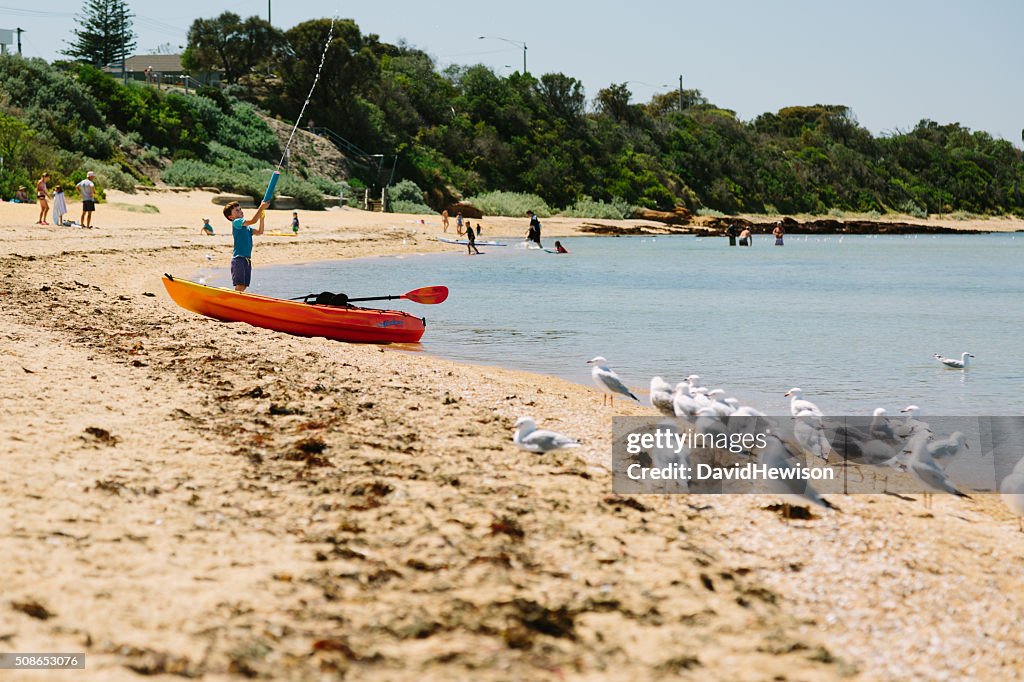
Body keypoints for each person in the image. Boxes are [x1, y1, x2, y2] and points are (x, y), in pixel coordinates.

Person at [224, 200, 268, 291]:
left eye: (240, 209)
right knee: (240, 285)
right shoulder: (236, 222)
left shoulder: (247, 227)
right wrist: (261, 207)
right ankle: (234, 301)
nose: (240, 211)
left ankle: (237, 301)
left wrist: (262, 219)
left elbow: (260, 232)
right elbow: (253, 220)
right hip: (238, 259)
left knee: (244, 286)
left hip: (247, 260)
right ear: (231, 217)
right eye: (237, 210)